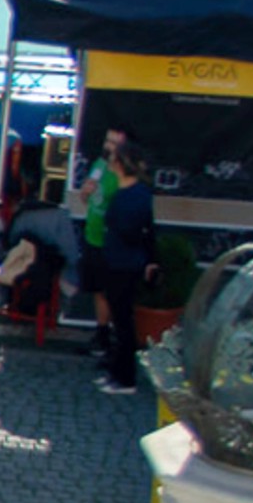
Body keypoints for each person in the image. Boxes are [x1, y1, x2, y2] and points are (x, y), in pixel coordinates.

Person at [89, 138, 158, 397]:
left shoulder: (135, 195)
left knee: (124, 322)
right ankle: (117, 373)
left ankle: (126, 378)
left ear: (119, 165)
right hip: (117, 261)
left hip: (124, 265)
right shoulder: (127, 192)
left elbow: (138, 231)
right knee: (120, 321)